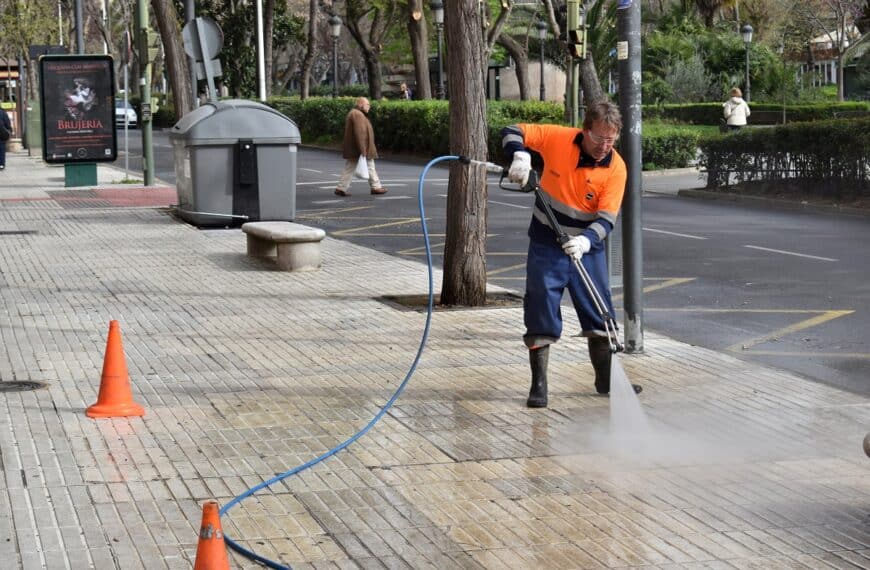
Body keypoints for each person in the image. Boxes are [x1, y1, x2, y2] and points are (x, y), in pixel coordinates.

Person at [501, 100, 641, 408]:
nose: (605, 145)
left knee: (600, 313)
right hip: (546, 244)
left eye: (611, 139)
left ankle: (605, 379)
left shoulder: (616, 168)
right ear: (585, 130)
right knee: (539, 309)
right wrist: (519, 155)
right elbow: (513, 130)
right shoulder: (559, 139)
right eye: (599, 137)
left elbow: (606, 219)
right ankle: (539, 385)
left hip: (586, 251)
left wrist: (585, 242)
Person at [334, 97, 387, 197]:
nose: (369, 107)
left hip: (356, 148)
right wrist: (363, 150)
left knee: (351, 167)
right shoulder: (357, 114)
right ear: (361, 104)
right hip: (360, 148)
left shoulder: (356, 113)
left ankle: (341, 188)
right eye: (367, 104)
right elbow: (361, 133)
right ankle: (376, 187)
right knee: (370, 166)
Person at [0, 106, 11, 171]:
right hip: (2, 134)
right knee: (1, 148)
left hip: (2, 133)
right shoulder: (3, 112)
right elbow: (7, 123)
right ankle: (1, 164)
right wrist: (9, 130)